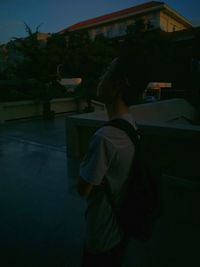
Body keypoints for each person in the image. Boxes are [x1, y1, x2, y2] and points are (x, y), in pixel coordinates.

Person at [78, 57, 146, 266]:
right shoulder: (131, 124)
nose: (101, 77)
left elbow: (83, 189)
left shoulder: (105, 137)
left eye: (107, 71)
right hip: (120, 228)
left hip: (102, 233)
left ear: (118, 84)